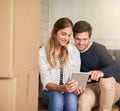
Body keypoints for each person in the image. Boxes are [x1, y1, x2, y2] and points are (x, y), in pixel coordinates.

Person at [73, 20, 120, 111]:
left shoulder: (99, 49)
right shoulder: (71, 51)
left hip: (110, 89)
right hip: (90, 90)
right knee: (83, 101)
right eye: (78, 39)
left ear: (90, 37)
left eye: (84, 39)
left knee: (106, 81)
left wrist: (101, 72)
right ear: (74, 37)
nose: (81, 43)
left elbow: (115, 67)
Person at [39, 17, 81, 111]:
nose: (66, 38)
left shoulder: (73, 50)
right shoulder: (42, 53)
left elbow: (76, 76)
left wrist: (76, 87)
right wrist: (63, 88)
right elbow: (46, 82)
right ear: (55, 32)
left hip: (69, 91)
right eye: (63, 34)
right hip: (50, 92)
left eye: (69, 35)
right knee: (57, 98)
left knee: (71, 99)